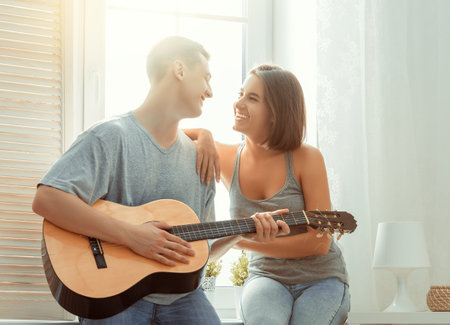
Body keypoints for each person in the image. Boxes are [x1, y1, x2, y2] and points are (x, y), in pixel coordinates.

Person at [32, 36, 237, 325]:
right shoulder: (110, 136)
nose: (211, 91)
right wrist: (132, 236)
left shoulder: (202, 159)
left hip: (182, 296)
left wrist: (244, 231)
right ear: (179, 70)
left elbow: (202, 247)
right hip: (113, 296)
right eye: (205, 78)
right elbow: (47, 199)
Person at [187, 64, 350, 325]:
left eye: (252, 98)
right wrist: (202, 134)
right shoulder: (227, 158)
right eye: (241, 93)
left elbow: (319, 243)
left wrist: (243, 240)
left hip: (321, 279)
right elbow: (165, 136)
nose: (238, 103)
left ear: (276, 113)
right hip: (266, 277)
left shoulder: (306, 158)